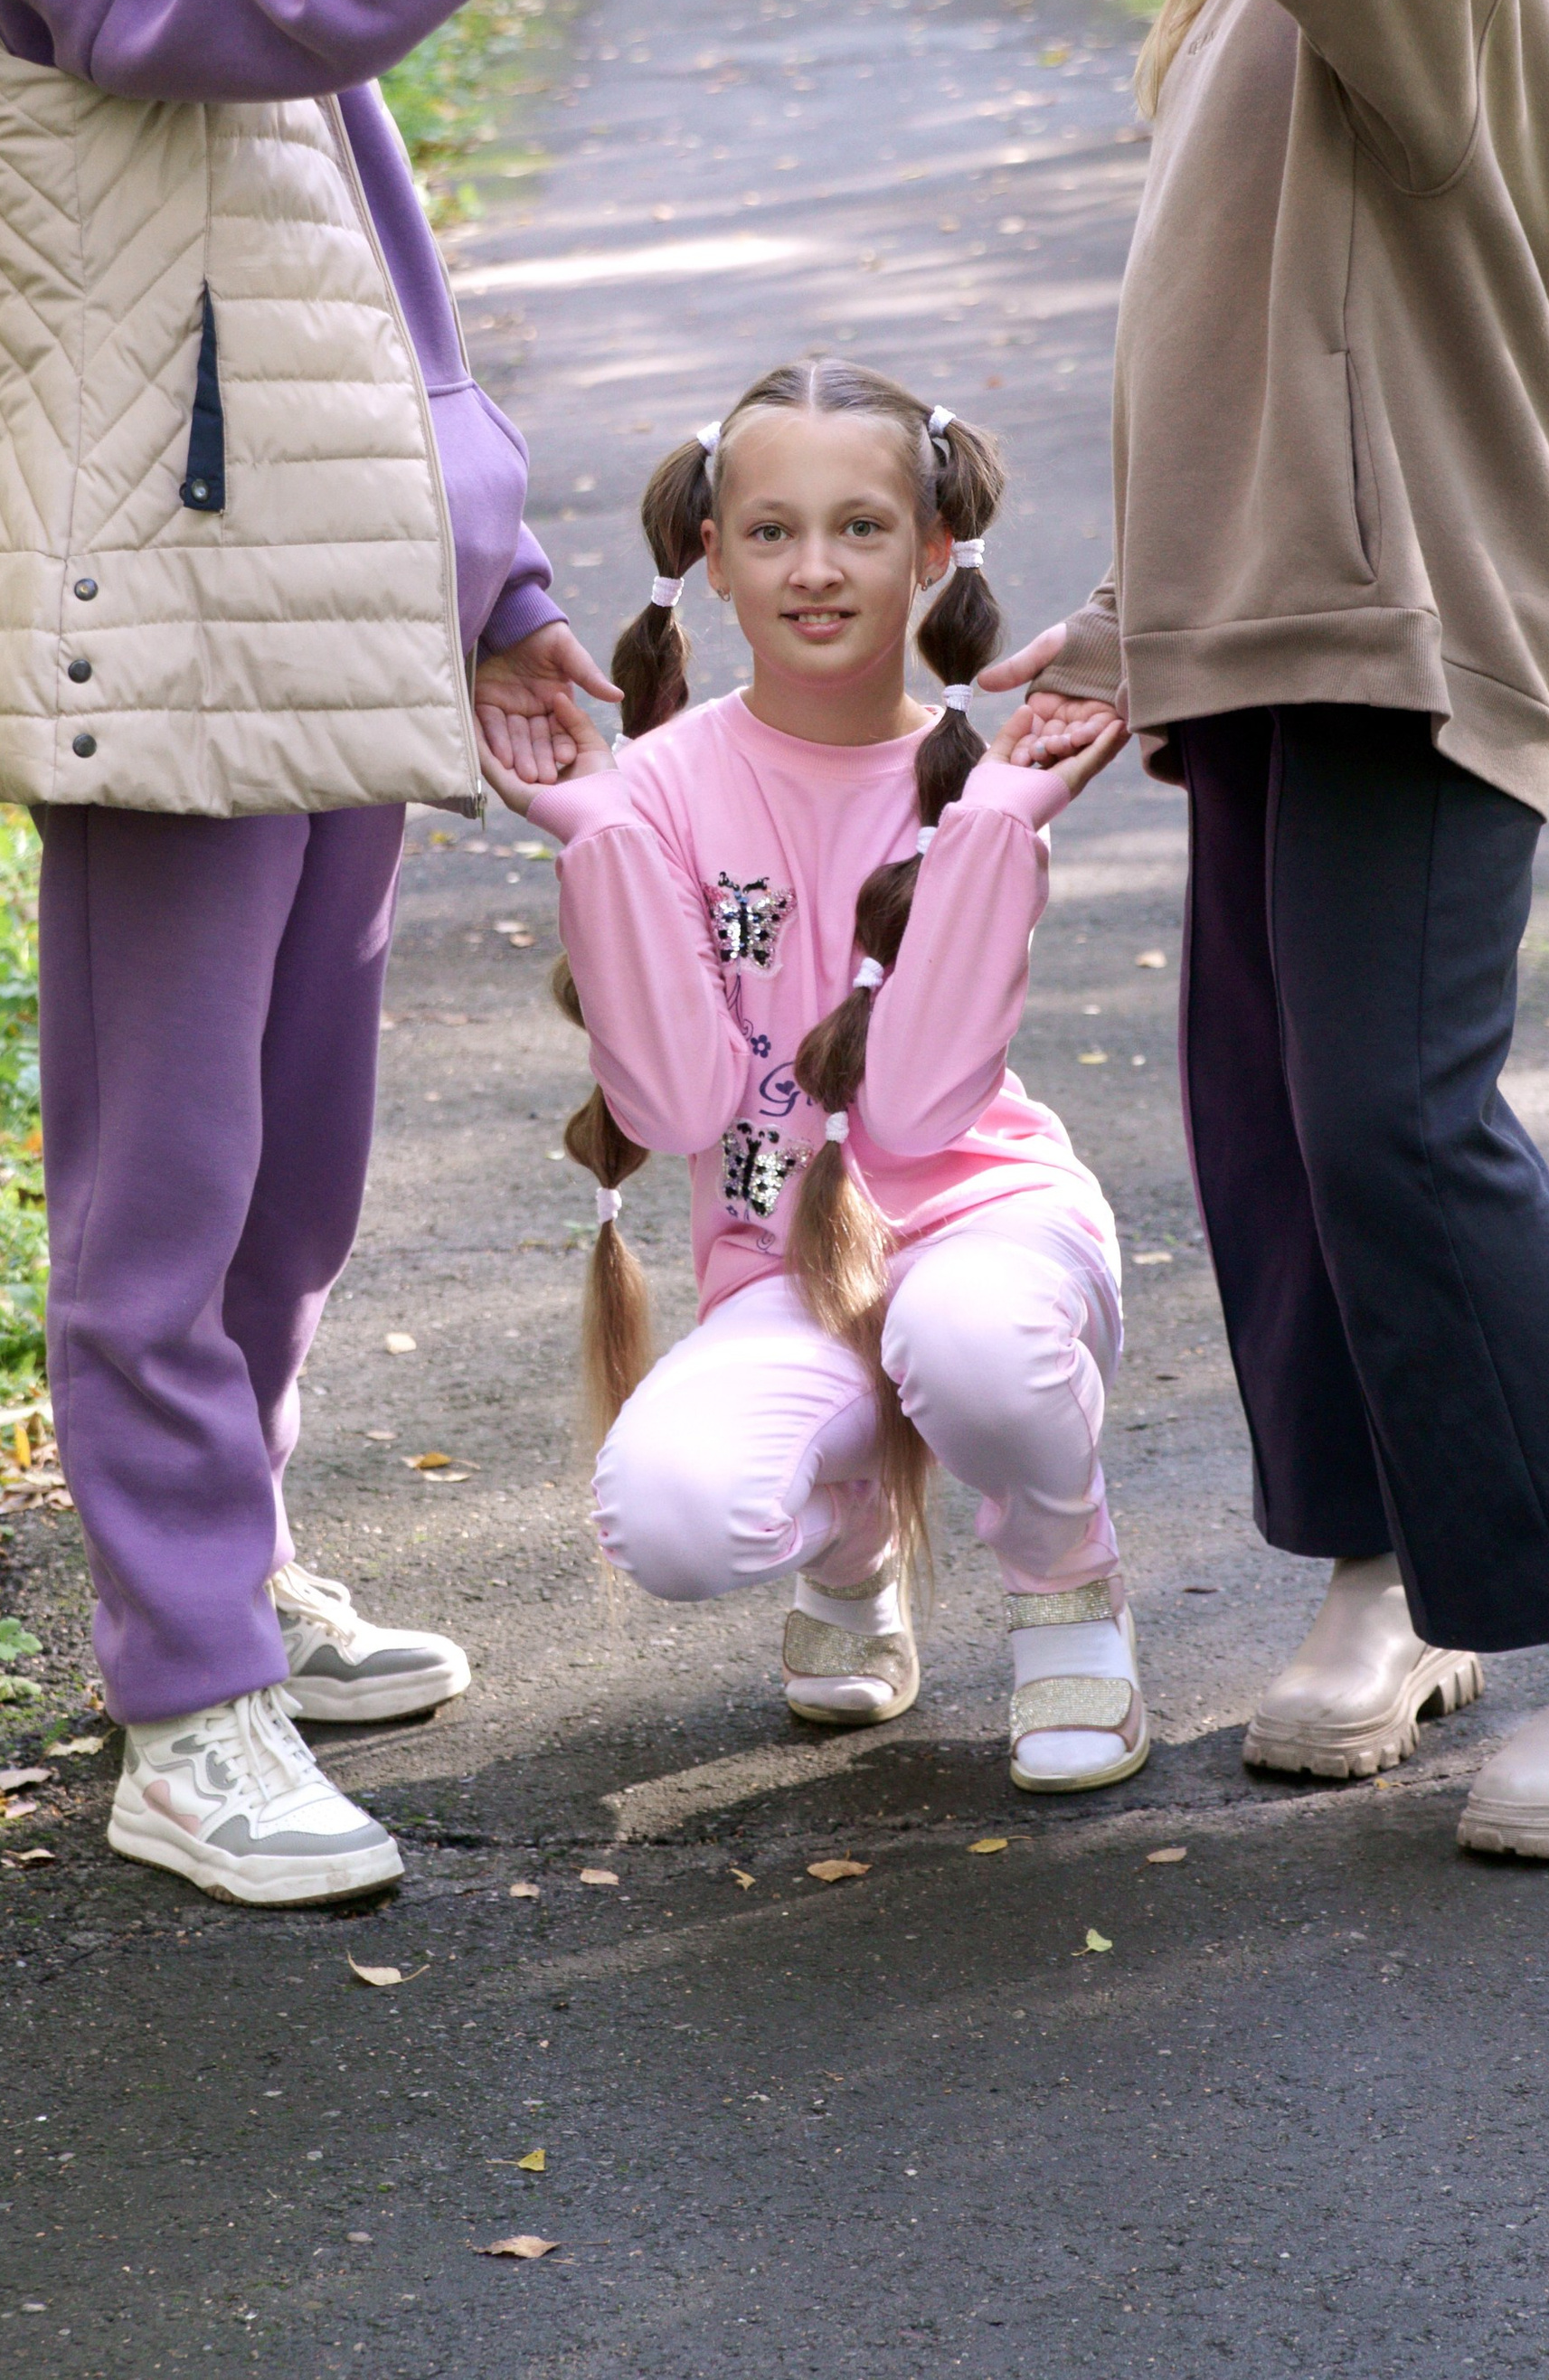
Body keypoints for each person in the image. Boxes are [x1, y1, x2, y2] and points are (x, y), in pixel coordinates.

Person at [773, 0, 1549, 1865]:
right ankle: (1379, 1578)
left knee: (1405, 1120)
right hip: (1279, 624)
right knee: (1277, 1123)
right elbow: (1303, 324)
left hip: (1419, 617)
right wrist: (1146, 616)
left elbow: (1538, 96)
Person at [0, 0, 779, 1904]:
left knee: (291, 1179)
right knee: (165, 1192)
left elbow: (363, 299)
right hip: (162, 635)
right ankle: (180, 1711)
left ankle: (238, 1574)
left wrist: (491, 575)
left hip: (321, 609)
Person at [481, 363, 1150, 1795]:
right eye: (772, 531)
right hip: (783, 1263)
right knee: (671, 1517)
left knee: (969, 1337)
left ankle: (1068, 1589)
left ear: (931, 550)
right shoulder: (657, 785)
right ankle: (851, 1548)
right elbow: (669, 1109)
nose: (816, 568)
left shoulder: (981, 775)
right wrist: (595, 835)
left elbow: (909, 1115)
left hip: (991, 1232)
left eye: (860, 527)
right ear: (708, 559)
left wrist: (999, 828)